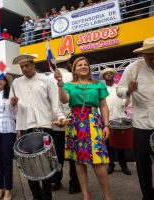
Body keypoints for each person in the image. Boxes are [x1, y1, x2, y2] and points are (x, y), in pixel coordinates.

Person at [54, 56, 112, 200]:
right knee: (79, 161)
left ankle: (107, 195)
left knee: (98, 159)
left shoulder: (98, 84)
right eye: (79, 65)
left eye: (85, 64)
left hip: (93, 122)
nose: (83, 66)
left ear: (89, 67)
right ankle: (86, 194)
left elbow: (103, 106)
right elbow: (64, 100)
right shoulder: (69, 85)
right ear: (74, 69)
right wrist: (60, 84)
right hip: (75, 123)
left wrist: (106, 125)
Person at [10, 54, 66, 200]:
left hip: (44, 126)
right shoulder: (16, 83)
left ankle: (47, 196)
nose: (24, 69)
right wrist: (13, 104)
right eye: (21, 67)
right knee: (29, 164)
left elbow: (55, 104)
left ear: (33, 65)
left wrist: (60, 117)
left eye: (26, 65)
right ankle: (36, 196)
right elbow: (13, 110)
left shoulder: (47, 80)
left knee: (46, 163)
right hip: (25, 128)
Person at [116, 36, 154, 200]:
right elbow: (119, 91)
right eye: (150, 57)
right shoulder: (133, 68)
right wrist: (129, 90)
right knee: (143, 164)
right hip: (141, 124)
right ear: (143, 55)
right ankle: (148, 196)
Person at [48, 55, 81, 194]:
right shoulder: (74, 77)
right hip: (72, 121)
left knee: (57, 154)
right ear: (68, 63)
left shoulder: (47, 78)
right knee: (74, 155)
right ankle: (74, 184)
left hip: (54, 121)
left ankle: (56, 181)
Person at [99, 68, 132, 175]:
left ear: (114, 76)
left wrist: (125, 103)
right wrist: (103, 119)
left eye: (110, 73)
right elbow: (100, 105)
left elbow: (127, 101)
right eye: (106, 74)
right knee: (109, 146)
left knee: (121, 145)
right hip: (107, 121)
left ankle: (124, 166)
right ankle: (111, 165)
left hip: (120, 118)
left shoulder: (120, 87)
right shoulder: (101, 89)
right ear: (103, 77)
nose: (108, 74)